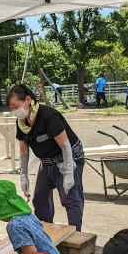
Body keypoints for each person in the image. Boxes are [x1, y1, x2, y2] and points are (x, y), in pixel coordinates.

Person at [8, 83, 85, 231]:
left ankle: (76, 237)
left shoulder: (48, 116)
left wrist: (69, 173)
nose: (14, 111)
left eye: (16, 106)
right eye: (11, 108)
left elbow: (65, 146)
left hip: (68, 158)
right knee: (39, 198)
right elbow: (24, 151)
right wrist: (23, 175)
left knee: (70, 198)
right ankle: (45, 232)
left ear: (28, 100)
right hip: (46, 161)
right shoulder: (21, 123)